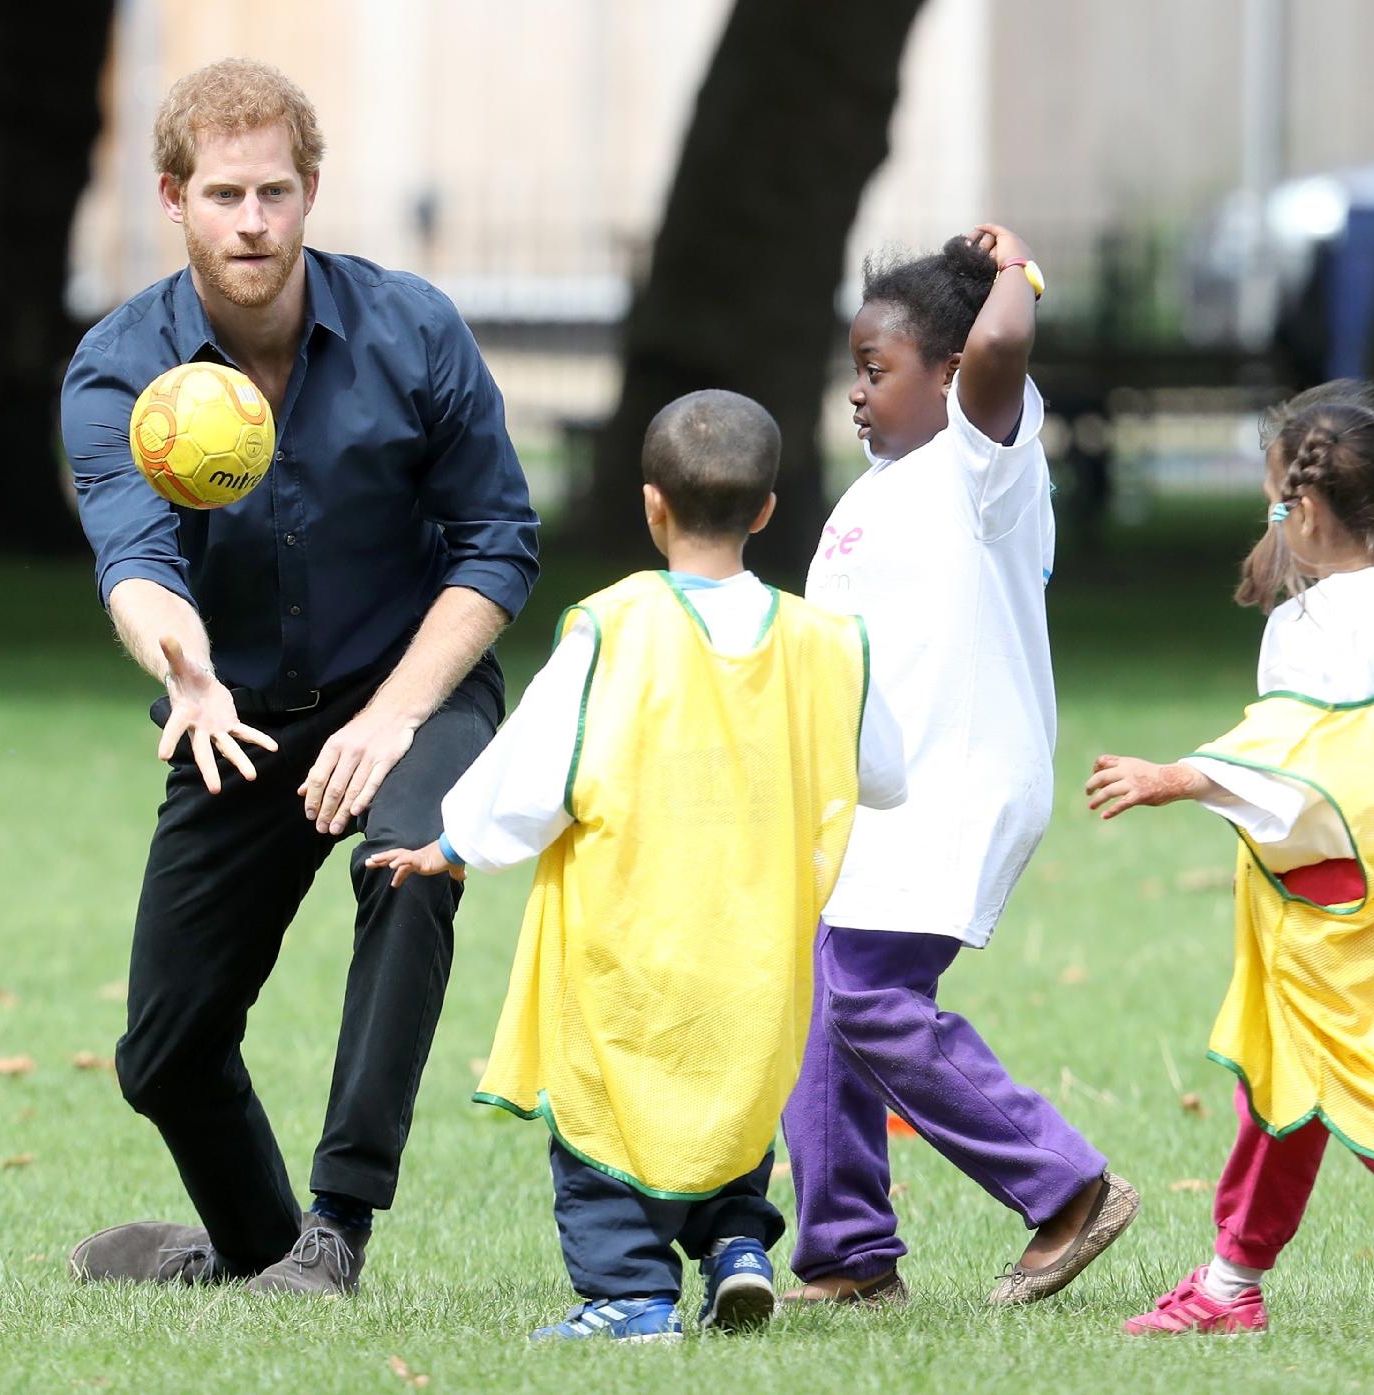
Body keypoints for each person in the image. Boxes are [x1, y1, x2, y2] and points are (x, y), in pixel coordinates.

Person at [60, 58, 538, 1296]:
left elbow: (498, 542)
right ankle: (254, 1250)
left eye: (275, 190)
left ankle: (337, 1227)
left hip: (410, 682)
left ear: (311, 189)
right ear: (175, 198)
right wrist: (190, 677)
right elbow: (134, 559)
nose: (254, 221)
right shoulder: (121, 372)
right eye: (224, 194)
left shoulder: (410, 329)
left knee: (410, 865)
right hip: (237, 714)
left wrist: (392, 717)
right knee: (162, 1058)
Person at [369, 390, 907, 1341]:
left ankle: (629, 1291)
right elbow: (886, 775)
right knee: (734, 1095)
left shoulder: (615, 627)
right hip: (759, 949)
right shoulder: (828, 642)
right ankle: (739, 1245)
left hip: (629, 942)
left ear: (651, 503)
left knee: (603, 1124)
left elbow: (536, 768)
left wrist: (454, 845)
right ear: (769, 509)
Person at [1088, 401, 1374, 1344]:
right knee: (1278, 1090)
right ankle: (1230, 1282)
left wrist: (1177, 776)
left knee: (1364, 1088)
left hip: (1333, 898)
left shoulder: (1310, 624)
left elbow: (1300, 748)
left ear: (1300, 512)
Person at [785, 225, 1136, 1309]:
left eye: (879, 370)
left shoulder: (979, 468)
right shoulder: (875, 492)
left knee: (870, 998)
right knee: (826, 1003)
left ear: (948, 374)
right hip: (874, 798)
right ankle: (848, 1252)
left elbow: (1003, 350)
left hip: (956, 787)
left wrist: (1019, 267)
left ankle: (1067, 1186)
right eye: (853, 369)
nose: (857, 392)